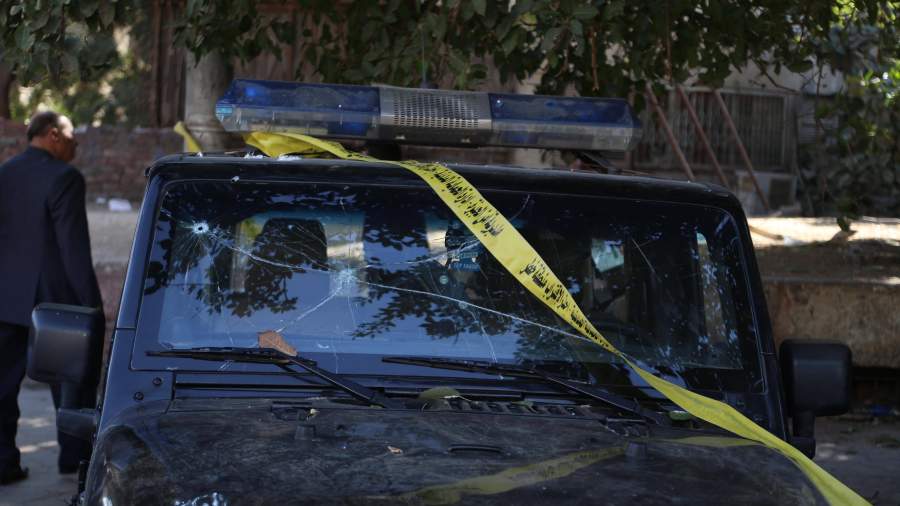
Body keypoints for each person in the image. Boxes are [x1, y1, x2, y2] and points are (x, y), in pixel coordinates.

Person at [0, 111, 103, 484]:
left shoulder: (4, 173)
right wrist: (92, 305)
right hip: (56, 303)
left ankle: (3, 464)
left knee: (2, 387)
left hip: (5, 300)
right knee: (72, 383)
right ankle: (74, 462)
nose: (76, 144)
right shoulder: (66, 177)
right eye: (73, 136)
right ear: (53, 135)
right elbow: (73, 248)